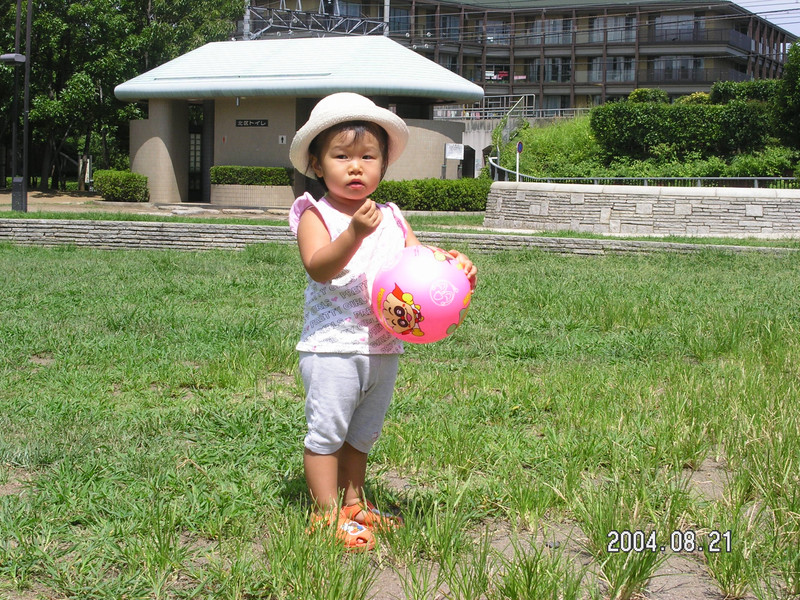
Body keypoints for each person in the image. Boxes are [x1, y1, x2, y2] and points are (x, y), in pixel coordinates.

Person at [288, 92, 477, 551]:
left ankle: (354, 503)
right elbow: (318, 267)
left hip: (384, 345)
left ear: (383, 165)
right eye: (341, 157)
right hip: (333, 347)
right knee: (327, 434)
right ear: (316, 165)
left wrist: (454, 267)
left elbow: (418, 261)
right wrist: (354, 233)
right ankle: (325, 515)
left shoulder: (391, 216)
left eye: (368, 157)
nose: (356, 167)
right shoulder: (317, 213)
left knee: (361, 435)